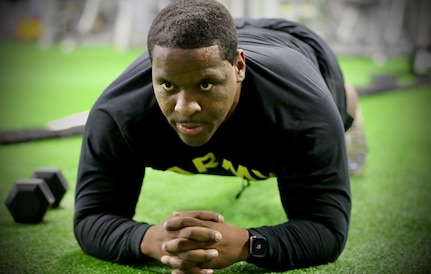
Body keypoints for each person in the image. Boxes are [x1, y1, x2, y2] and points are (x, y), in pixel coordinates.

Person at [74, 0, 367, 273]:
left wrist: (249, 244)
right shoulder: (117, 115)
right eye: (167, 85)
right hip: (219, 41)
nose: (185, 108)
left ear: (239, 67)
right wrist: (151, 239)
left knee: (338, 111)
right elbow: (90, 218)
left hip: (296, 46)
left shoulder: (304, 112)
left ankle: (349, 104)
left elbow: (327, 231)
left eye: (205, 84)